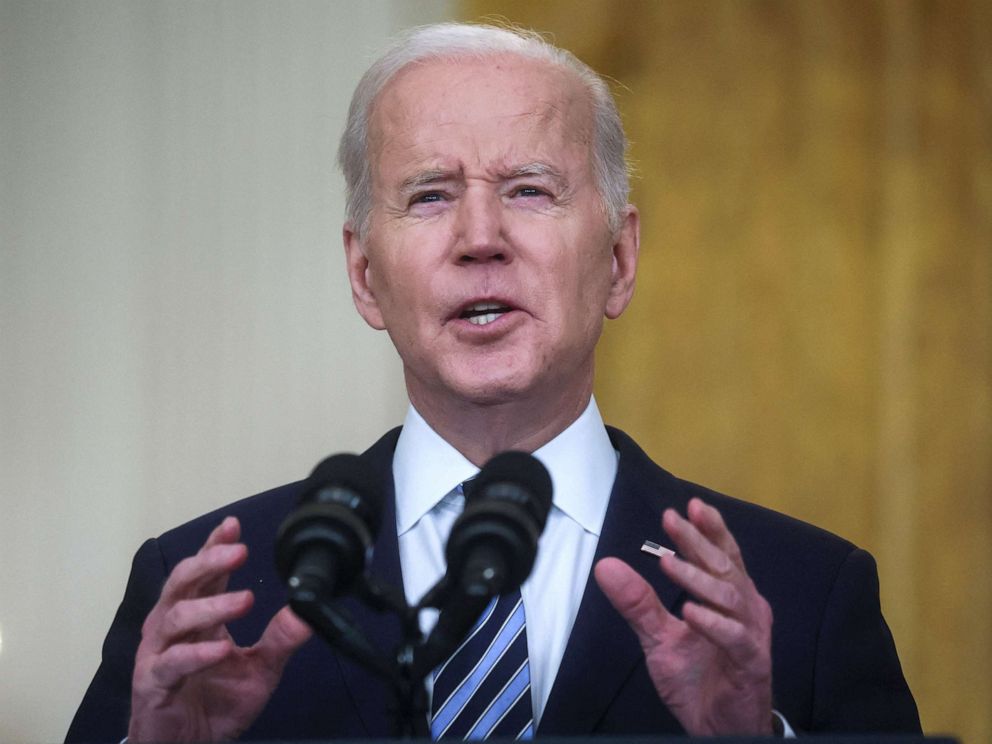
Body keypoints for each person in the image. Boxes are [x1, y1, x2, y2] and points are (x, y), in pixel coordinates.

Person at [66, 22, 920, 743]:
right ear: (365, 275)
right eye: (431, 196)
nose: (481, 237)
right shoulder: (213, 598)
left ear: (619, 260)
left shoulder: (801, 598)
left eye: (529, 190)